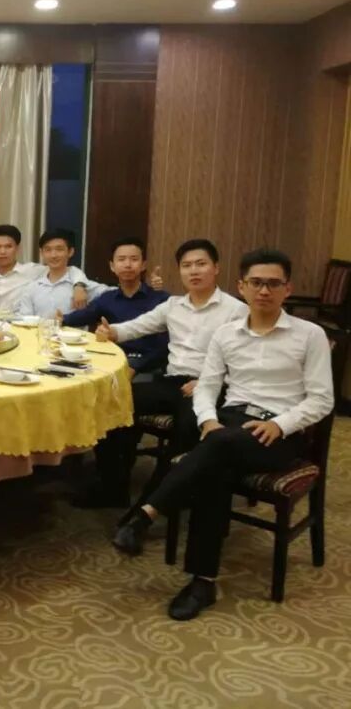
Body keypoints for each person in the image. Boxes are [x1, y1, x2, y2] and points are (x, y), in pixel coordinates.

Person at [112, 249, 333, 620]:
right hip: (229, 425)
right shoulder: (226, 333)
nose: (264, 290)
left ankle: (146, 515)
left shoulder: (310, 335)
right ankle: (202, 582)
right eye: (256, 282)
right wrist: (207, 420)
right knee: (214, 470)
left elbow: (322, 399)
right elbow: (208, 386)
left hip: (279, 433)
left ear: (288, 288)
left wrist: (280, 424)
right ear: (241, 286)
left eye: (273, 283)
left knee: (215, 449)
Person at [91, 238, 248, 504]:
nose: (194, 271)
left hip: (208, 387)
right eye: (187, 265)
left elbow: (244, 362)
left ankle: (152, 505)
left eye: (201, 264)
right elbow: (137, 326)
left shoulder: (236, 310)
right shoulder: (173, 305)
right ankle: (113, 488)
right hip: (171, 382)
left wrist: (208, 382)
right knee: (111, 404)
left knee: (185, 430)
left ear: (216, 268)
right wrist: (112, 331)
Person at [62, 237, 169, 376]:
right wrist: (62, 319)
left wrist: (135, 366)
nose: (128, 264)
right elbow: (85, 314)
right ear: (112, 266)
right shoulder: (107, 298)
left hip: (148, 369)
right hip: (113, 362)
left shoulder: (161, 299)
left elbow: (165, 346)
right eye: (121, 259)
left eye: (134, 259)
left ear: (143, 265)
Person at [16, 229, 112, 318]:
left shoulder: (83, 286)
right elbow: (24, 320)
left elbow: (115, 295)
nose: (53, 255)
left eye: (59, 249)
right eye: (48, 250)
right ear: (41, 253)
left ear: (70, 252)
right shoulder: (32, 288)